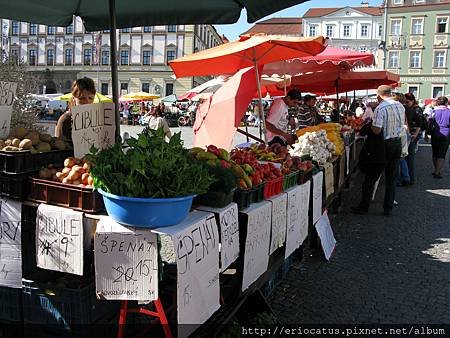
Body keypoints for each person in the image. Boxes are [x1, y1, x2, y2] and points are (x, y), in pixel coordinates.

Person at [351, 85, 405, 216]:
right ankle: (388, 208)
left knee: (371, 177)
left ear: (379, 95)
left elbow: (377, 130)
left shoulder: (381, 108)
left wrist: (370, 124)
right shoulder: (400, 105)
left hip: (383, 145)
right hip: (397, 143)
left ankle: (364, 207)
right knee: (391, 178)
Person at [55, 77, 96, 142]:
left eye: (90, 98)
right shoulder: (65, 119)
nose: (87, 102)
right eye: (82, 98)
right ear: (74, 98)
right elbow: (60, 145)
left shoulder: (96, 119)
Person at [403, 93, 423, 184]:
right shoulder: (409, 109)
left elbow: (419, 122)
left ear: (412, 100)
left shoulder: (416, 109)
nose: (406, 103)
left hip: (411, 135)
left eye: (407, 102)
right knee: (407, 157)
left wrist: (415, 134)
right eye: (405, 102)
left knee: (409, 157)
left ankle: (410, 178)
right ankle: (408, 177)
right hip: (409, 135)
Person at [429, 96, 450, 178]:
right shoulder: (449, 112)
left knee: (435, 152)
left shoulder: (434, 111)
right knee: (442, 153)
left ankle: (436, 170)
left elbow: (430, 123)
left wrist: (428, 132)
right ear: (446, 103)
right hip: (447, 133)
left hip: (435, 133)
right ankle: (437, 171)